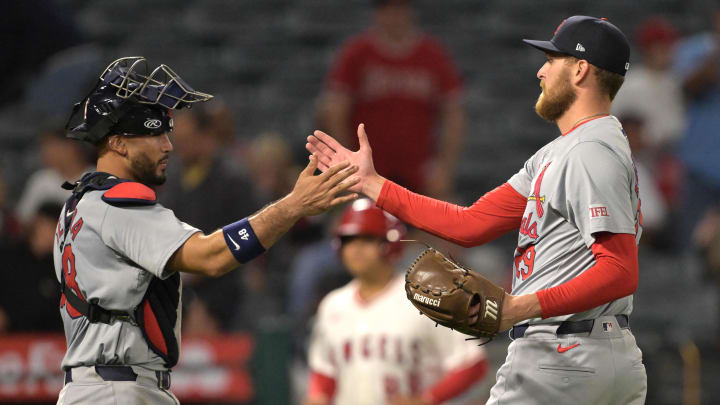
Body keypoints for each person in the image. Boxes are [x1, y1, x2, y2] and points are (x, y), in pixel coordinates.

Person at [308, 16, 647, 404]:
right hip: (593, 353)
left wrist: (519, 307)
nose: (540, 70)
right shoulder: (564, 153)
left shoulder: (590, 152)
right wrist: (372, 184)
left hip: (562, 357)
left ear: (580, 69)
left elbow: (620, 272)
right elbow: (471, 224)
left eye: (552, 60)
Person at [54, 56, 359, 405]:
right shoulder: (118, 206)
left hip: (99, 384)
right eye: (155, 134)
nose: (168, 145)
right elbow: (211, 257)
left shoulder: (78, 204)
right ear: (119, 143)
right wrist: (293, 205)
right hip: (117, 389)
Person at [304, 199, 487, 405]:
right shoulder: (332, 305)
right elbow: (324, 372)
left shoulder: (427, 298)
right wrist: (317, 396)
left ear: (390, 244)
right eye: (349, 240)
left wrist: (426, 399)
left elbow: (472, 364)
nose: (355, 248)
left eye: (367, 239)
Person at [317, 0, 465, 198]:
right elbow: (334, 110)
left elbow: (453, 115)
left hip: (418, 166)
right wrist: (348, 160)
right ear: (377, 13)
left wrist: (445, 166)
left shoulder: (432, 55)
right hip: (368, 166)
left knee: (440, 220)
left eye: (399, 9)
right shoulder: (357, 53)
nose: (394, 16)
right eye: (387, 10)